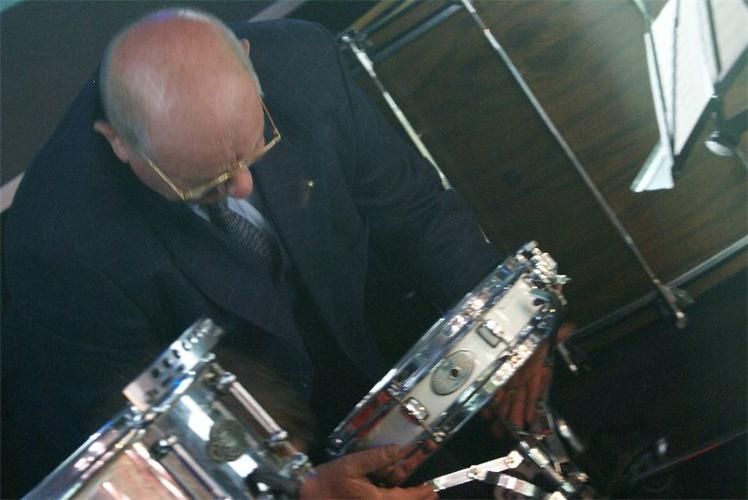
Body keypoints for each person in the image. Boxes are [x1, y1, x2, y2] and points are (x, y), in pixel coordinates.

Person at [2, 8, 537, 497]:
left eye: (255, 149)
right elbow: (146, 444)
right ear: (119, 142)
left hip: (374, 357)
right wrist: (299, 490)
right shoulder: (60, 243)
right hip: (244, 446)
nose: (241, 186)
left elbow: (414, 210)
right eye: (203, 182)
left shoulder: (303, 64)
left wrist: (513, 321)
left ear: (248, 61)